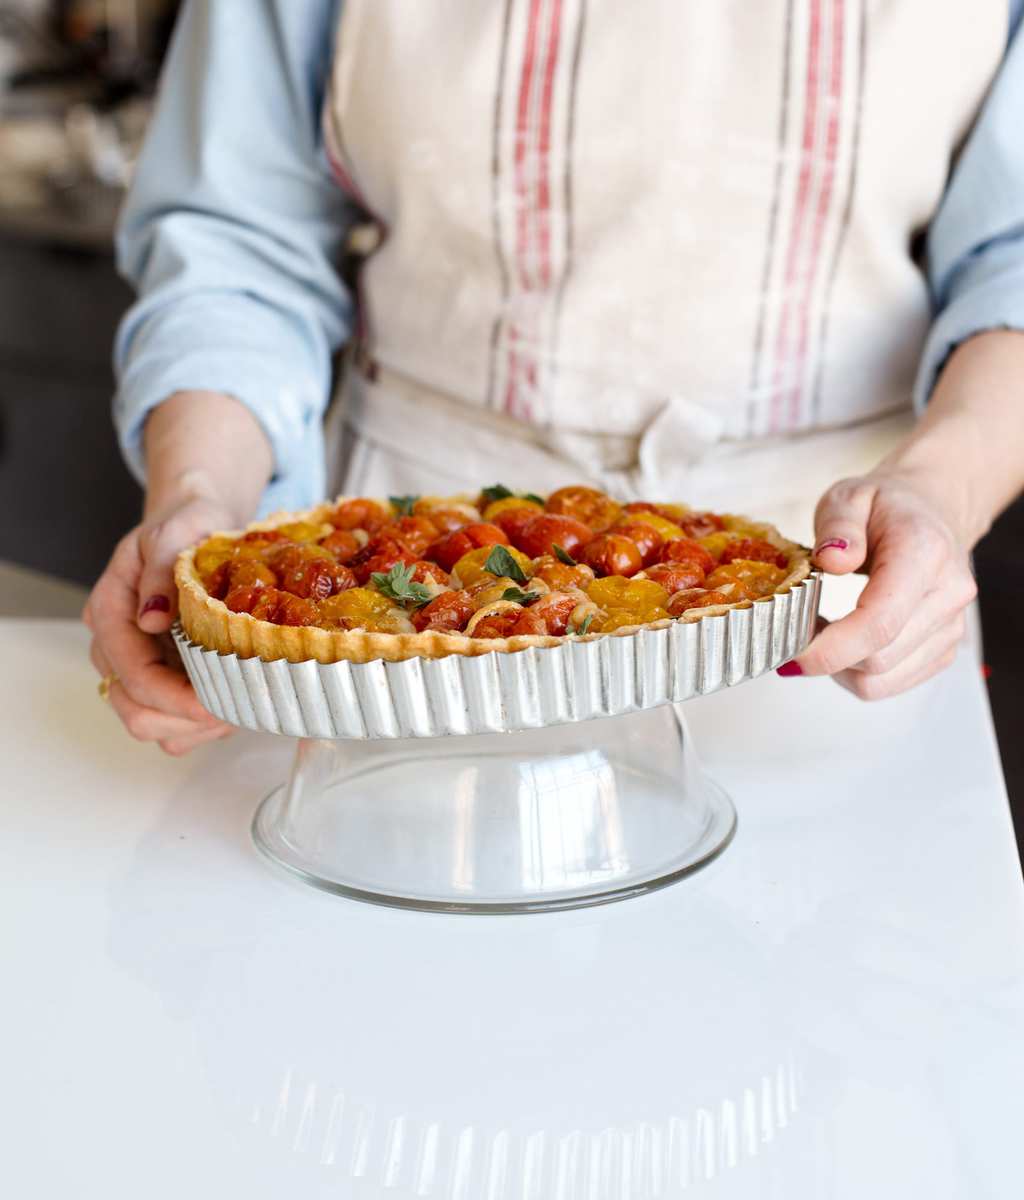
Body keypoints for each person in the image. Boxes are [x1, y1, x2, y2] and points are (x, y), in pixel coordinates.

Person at [85, 0, 1024, 755]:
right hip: (390, 601)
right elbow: (238, 243)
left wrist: (940, 490)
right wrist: (203, 496)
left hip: (845, 589)